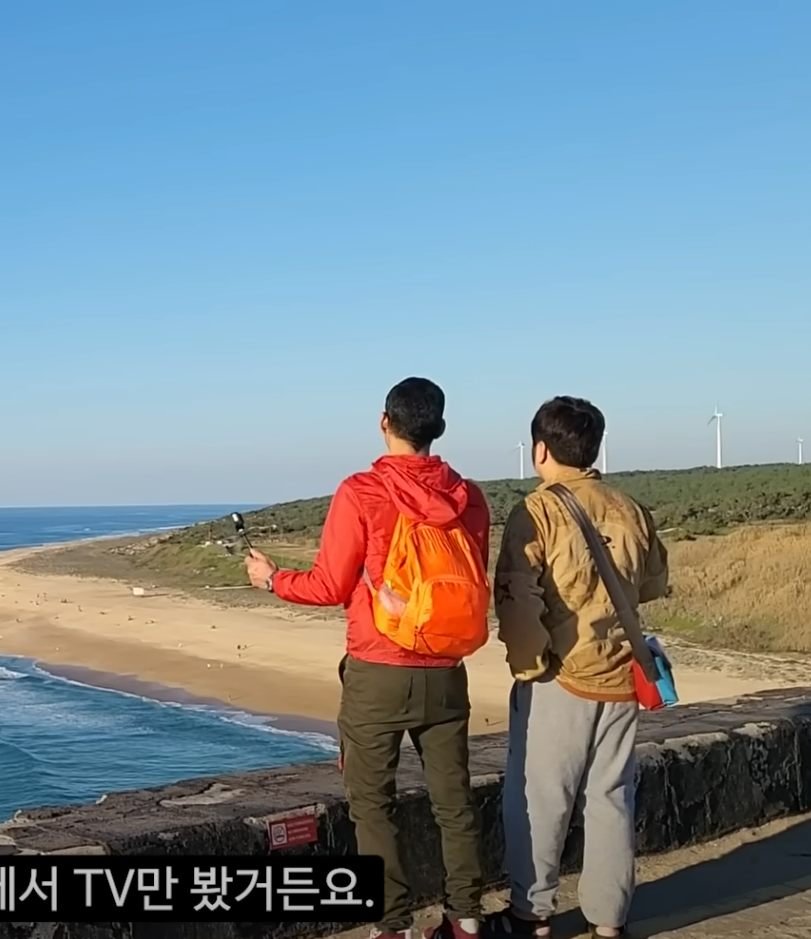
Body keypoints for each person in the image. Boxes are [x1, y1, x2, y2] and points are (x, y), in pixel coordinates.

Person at [247, 376, 490, 939]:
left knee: (372, 805)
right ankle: (466, 920)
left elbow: (329, 585)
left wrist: (272, 579)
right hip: (446, 669)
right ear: (439, 428)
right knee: (454, 802)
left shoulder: (361, 491)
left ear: (385, 422)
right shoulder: (469, 497)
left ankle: (392, 926)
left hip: (378, 669)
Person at [486, 396, 669, 939]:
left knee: (540, 800)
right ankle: (609, 921)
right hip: (622, 674)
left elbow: (517, 600)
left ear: (540, 449)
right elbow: (653, 584)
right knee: (612, 799)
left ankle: (532, 914)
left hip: (560, 677)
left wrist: (529, 666)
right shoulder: (631, 509)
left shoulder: (537, 512)